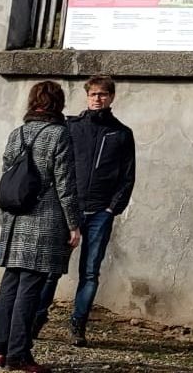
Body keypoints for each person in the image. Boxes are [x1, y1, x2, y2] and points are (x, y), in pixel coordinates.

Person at [0, 81, 84, 372]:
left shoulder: (16, 133)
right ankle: (18, 354)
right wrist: (74, 225)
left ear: (33, 102)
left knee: (10, 283)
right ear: (58, 103)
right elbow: (65, 185)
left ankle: (1, 350)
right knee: (30, 288)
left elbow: (7, 176)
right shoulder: (59, 134)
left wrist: (5, 218)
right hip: (44, 221)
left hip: (14, 218)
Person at [58, 74, 137, 346]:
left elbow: (128, 176)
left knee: (90, 272)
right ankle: (37, 316)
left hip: (100, 213)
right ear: (87, 96)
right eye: (93, 94)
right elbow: (59, 165)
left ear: (111, 97)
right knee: (52, 267)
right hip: (70, 207)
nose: (97, 99)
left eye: (102, 94)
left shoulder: (121, 134)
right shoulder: (72, 127)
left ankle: (78, 324)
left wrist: (112, 208)